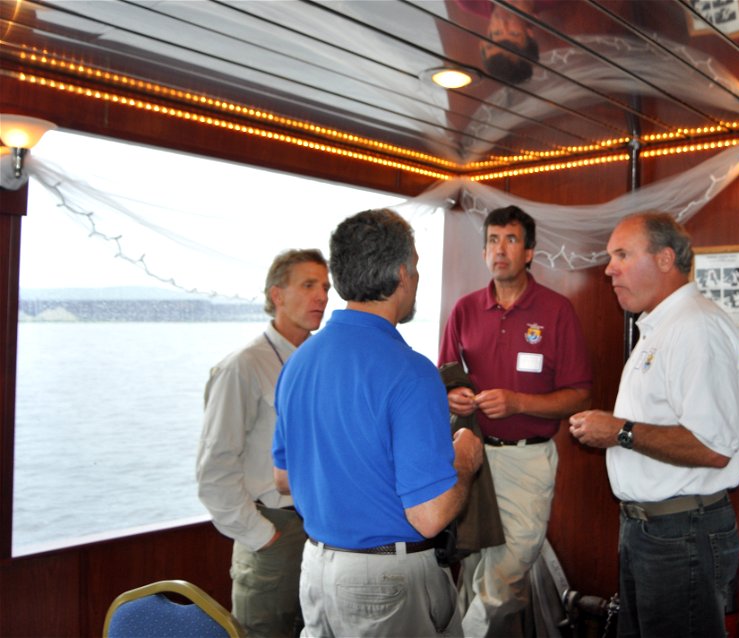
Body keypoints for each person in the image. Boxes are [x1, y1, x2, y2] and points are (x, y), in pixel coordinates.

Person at [272, 208, 483, 637]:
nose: (418, 278)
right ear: (403, 273)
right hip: (387, 582)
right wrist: (465, 458)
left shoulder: (298, 363)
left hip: (316, 569)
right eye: (418, 267)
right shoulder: (411, 371)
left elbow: (283, 478)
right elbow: (429, 515)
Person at [569, 212, 739, 637]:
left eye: (623, 255)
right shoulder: (659, 327)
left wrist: (619, 431)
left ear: (666, 259)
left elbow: (712, 446)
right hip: (649, 529)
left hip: (680, 533)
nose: (609, 269)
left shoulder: (695, 328)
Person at [439, 205, 592, 637]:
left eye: (510, 240)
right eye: (492, 240)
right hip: (470, 455)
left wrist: (518, 402)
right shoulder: (465, 309)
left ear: (529, 252)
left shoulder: (557, 310)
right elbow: (444, 375)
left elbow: (579, 394)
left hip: (527, 460)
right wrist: (453, 395)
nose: (499, 249)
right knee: (471, 567)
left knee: (512, 565)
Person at [196, 248, 330, 638]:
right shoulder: (243, 366)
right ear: (277, 295)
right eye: (308, 286)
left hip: (322, 530)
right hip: (273, 529)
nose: (321, 296)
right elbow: (214, 470)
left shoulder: (322, 363)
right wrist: (262, 536)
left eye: (325, 287)